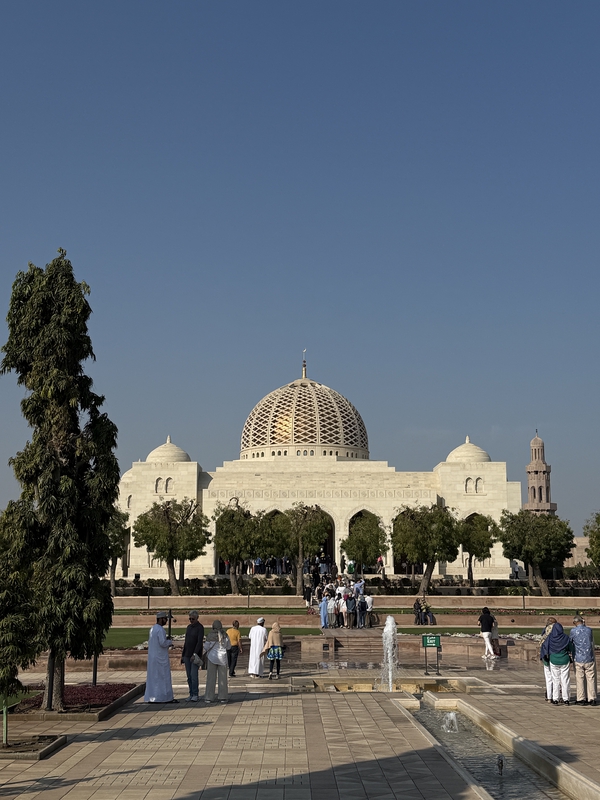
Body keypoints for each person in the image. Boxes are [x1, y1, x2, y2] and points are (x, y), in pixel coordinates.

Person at [145, 611, 177, 703]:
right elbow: (162, 643)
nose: (166, 621)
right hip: (160, 658)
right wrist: (170, 642)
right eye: (165, 619)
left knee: (154, 678)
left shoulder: (153, 629)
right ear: (160, 619)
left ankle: (153, 696)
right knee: (163, 677)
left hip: (153, 657)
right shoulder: (160, 629)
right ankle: (164, 697)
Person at [540, 621, 574, 705]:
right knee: (565, 680)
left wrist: (545, 657)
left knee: (555, 680)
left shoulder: (550, 637)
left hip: (554, 660)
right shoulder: (565, 637)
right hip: (564, 660)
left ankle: (555, 698)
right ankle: (566, 698)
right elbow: (571, 648)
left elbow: (545, 647)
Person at [570, 615, 597, 706]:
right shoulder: (589, 630)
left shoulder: (573, 631)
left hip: (578, 657)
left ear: (574, 622)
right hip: (589, 657)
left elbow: (571, 641)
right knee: (591, 678)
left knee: (580, 678)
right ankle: (592, 698)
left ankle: (581, 698)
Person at [203, 620, 231, 704]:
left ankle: (209, 697)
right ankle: (223, 697)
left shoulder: (210, 635)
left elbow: (206, 647)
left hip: (212, 657)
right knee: (223, 679)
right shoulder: (225, 635)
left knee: (211, 678)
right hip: (222, 658)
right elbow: (228, 647)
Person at [181, 610, 204, 702]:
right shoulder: (189, 627)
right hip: (187, 654)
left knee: (193, 675)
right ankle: (191, 693)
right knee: (189, 676)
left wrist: (195, 654)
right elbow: (186, 642)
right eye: (190, 619)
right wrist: (183, 655)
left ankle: (195, 694)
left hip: (195, 655)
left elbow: (199, 642)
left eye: (193, 619)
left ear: (197, 618)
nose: (191, 620)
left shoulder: (200, 628)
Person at [539, 617, 557, 701]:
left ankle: (549, 695)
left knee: (549, 677)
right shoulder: (556, 632)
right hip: (554, 656)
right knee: (556, 677)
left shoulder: (545, 631)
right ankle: (556, 695)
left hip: (546, 656)